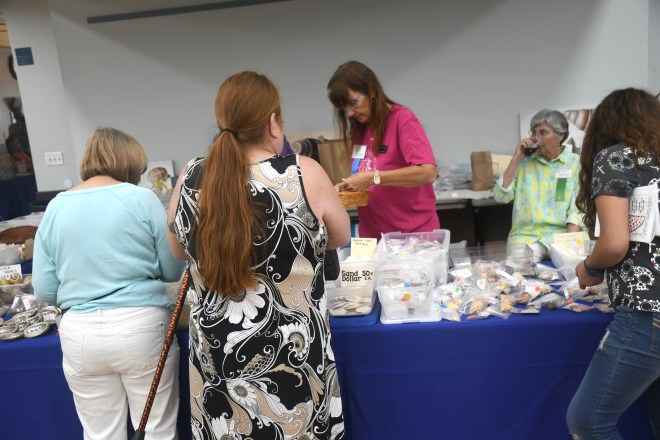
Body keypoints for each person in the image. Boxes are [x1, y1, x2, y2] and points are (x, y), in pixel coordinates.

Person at [167, 71, 350, 440]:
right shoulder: (303, 173)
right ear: (273, 122)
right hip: (295, 358)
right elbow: (340, 236)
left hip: (217, 360)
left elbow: (177, 249)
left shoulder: (191, 176)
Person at [32, 127, 185, 440]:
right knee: (157, 429)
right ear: (130, 162)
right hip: (141, 327)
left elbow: (44, 289)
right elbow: (172, 269)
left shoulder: (56, 207)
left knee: (100, 434)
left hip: (80, 334)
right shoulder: (142, 199)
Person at [567, 88, 660, 439]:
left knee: (588, 421)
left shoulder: (617, 157)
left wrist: (589, 268)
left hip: (647, 313)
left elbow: (615, 243)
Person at [326, 60, 439, 239]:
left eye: (353, 102)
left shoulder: (403, 120)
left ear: (371, 90)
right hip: (373, 236)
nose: (350, 113)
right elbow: (365, 174)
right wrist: (350, 186)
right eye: (344, 107)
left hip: (412, 235)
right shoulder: (360, 129)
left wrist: (373, 177)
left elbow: (427, 173)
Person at [492, 109, 582, 261]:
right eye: (533, 133)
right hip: (526, 236)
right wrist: (516, 159)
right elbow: (501, 196)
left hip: (562, 234)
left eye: (543, 133)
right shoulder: (523, 163)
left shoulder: (575, 163)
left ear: (560, 135)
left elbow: (578, 207)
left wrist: (570, 247)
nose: (536, 138)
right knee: (519, 270)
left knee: (573, 267)